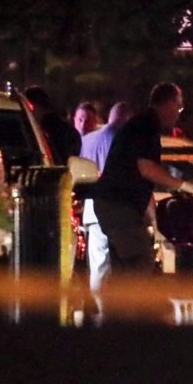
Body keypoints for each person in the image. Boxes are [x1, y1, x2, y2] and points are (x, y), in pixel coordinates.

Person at [93, 83, 193, 281]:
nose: (178, 114)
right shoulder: (146, 125)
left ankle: (118, 310)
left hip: (112, 203)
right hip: (118, 206)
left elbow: (141, 185)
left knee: (124, 266)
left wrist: (155, 222)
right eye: (178, 108)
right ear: (169, 104)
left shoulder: (141, 123)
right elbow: (146, 168)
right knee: (141, 259)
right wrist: (183, 185)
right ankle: (132, 308)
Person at [78, 101, 133, 317]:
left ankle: (100, 310)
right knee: (118, 262)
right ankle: (113, 312)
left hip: (91, 208)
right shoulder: (122, 141)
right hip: (117, 207)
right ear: (126, 119)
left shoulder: (86, 141)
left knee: (98, 262)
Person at [23, 86, 82, 163]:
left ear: (32, 107)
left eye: (27, 108)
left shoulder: (59, 132)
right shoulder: (68, 130)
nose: (26, 114)